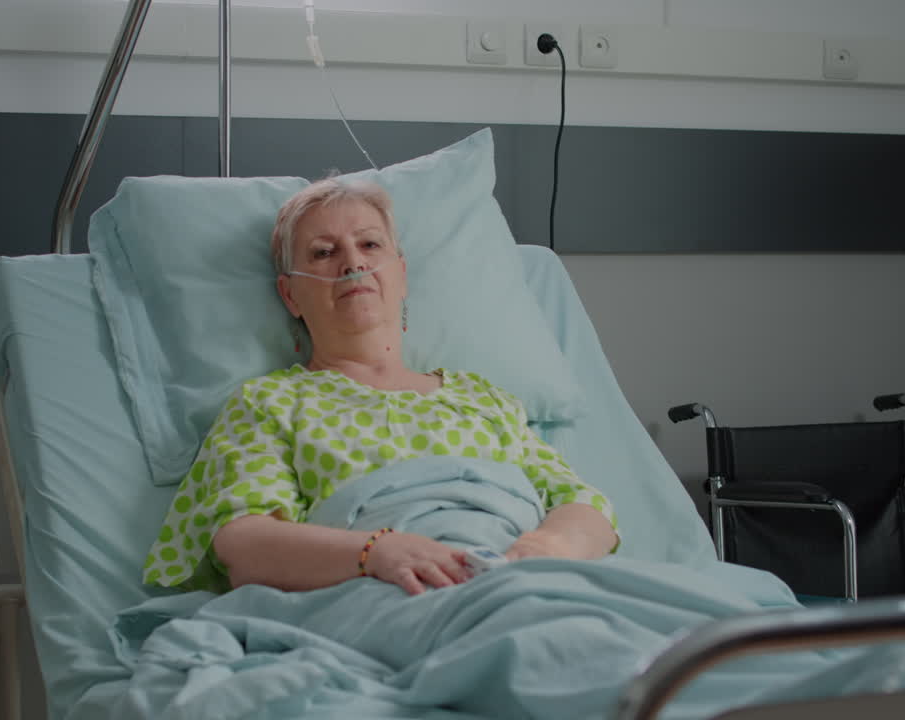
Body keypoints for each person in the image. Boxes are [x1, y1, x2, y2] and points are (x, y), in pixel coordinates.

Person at [142, 178, 618, 596]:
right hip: (382, 592)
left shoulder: (483, 398)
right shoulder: (271, 403)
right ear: (290, 295)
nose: (352, 263)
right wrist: (376, 552)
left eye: (369, 245)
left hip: (517, 582)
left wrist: (545, 548)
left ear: (402, 274)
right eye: (323, 253)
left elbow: (584, 505)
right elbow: (242, 544)